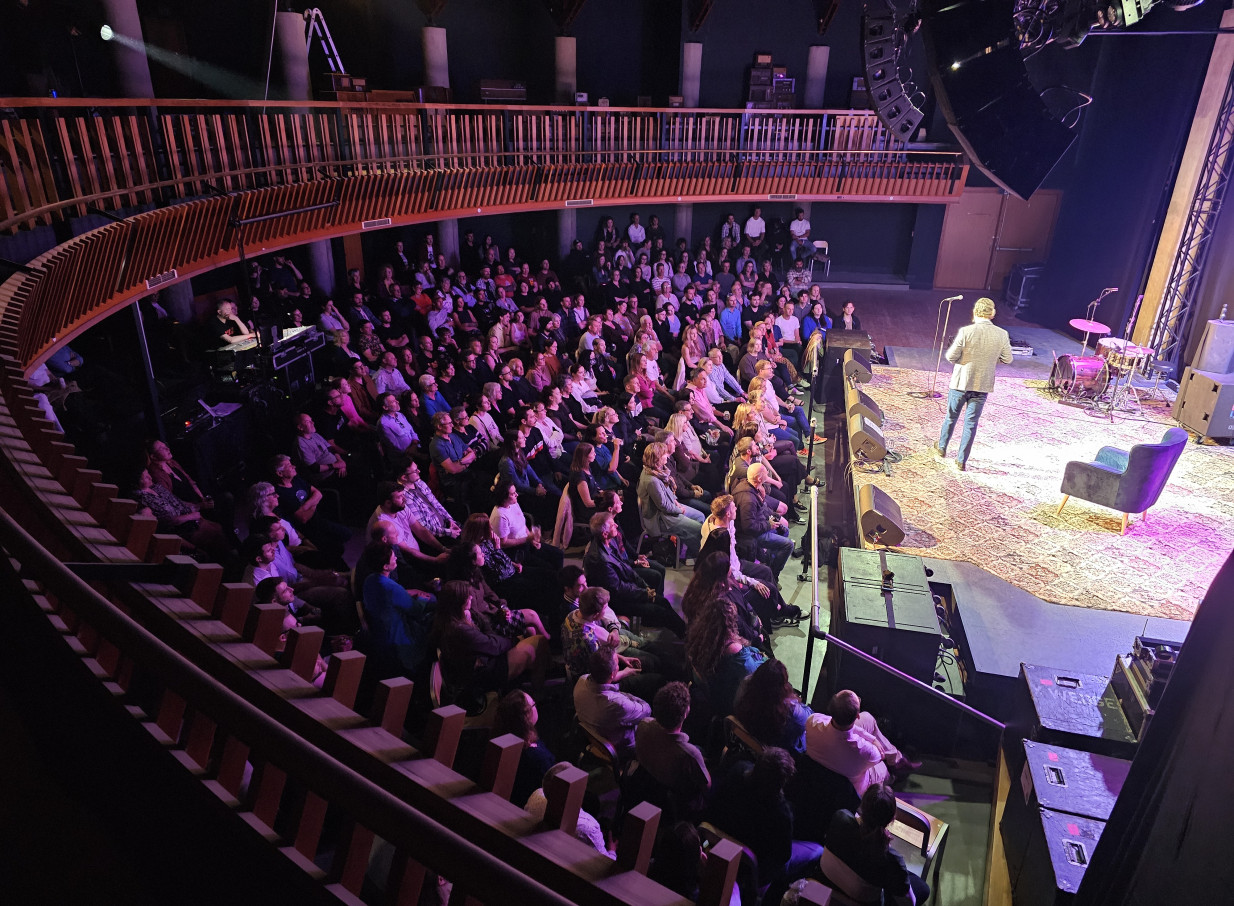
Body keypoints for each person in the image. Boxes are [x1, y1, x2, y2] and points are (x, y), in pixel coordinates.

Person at [818, 782, 931, 906]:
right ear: (892, 818)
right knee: (923, 888)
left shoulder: (840, 817)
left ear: (862, 806)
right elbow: (907, 898)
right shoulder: (891, 859)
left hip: (828, 882)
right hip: (863, 900)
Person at [935, 297, 1013, 471]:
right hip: (982, 385)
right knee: (971, 423)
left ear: (975, 312)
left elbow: (950, 357)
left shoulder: (966, 331)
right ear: (992, 313)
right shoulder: (1002, 334)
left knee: (951, 417)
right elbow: (1008, 359)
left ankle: (941, 448)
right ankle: (961, 461)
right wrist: (989, 361)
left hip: (961, 382)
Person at [583, 513, 687, 636]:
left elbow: (626, 568)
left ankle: (685, 631)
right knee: (660, 610)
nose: (616, 525)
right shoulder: (600, 560)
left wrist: (644, 586)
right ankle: (686, 635)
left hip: (627, 590)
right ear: (605, 533)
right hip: (617, 601)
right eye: (612, 525)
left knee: (662, 601)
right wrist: (644, 593)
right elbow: (618, 589)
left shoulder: (609, 542)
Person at [804, 690, 919, 796]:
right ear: (857, 716)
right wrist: (872, 741)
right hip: (850, 787)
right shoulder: (867, 751)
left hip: (825, 762)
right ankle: (894, 777)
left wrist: (872, 739)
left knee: (868, 718)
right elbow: (880, 754)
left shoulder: (812, 721)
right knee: (883, 768)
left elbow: (838, 727)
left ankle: (897, 759)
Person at [358, 542, 436, 682]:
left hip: (379, 633)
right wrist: (423, 599)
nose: (395, 559)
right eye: (393, 558)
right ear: (385, 566)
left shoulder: (369, 580)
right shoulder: (390, 587)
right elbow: (416, 609)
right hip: (398, 639)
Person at [632, 681, 711, 818]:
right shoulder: (691, 754)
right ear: (686, 712)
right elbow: (706, 785)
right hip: (674, 798)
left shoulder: (644, 724)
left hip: (647, 780)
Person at [573, 645, 651, 758]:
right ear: (612, 674)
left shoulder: (581, 680)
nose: (619, 664)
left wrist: (625, 672)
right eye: (618, 664)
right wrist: (627, 696)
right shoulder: (618, 704)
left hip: (596, 738)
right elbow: (646, 710)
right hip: (625, 749)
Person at [492, 690, 557, 808]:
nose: (536, 707)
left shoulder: (501, 737)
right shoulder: (538, 758)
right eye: (534, 705)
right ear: (526, 716)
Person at [733, 659, 812, 753]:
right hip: (779, 750)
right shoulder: (792, 710)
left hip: (753, 735)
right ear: (783, 685)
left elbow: (736, 705)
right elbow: (809, 719)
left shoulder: (746, 686)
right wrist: (796, 701)